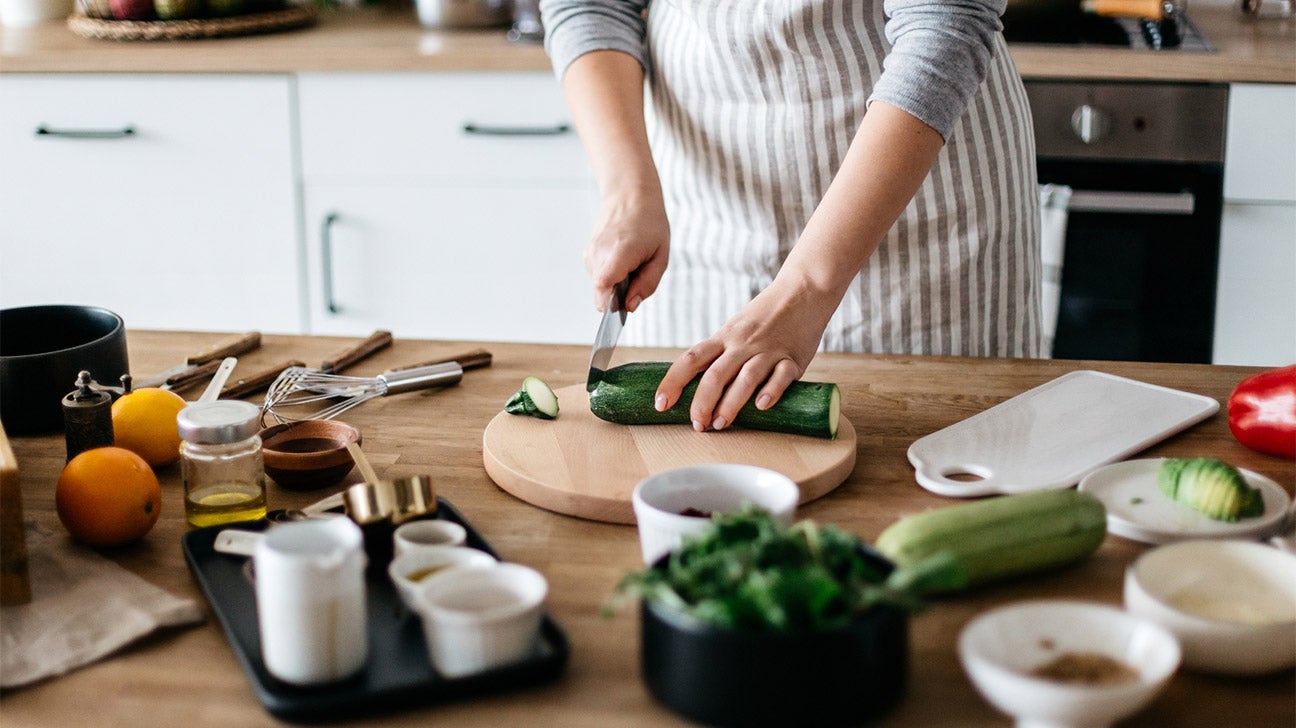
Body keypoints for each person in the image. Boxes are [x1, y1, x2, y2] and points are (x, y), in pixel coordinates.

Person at [540, 0, 1041, 433]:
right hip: (702, 191)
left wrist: (806, 287)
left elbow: (945, 20)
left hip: (921, 196)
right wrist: (630, 193)